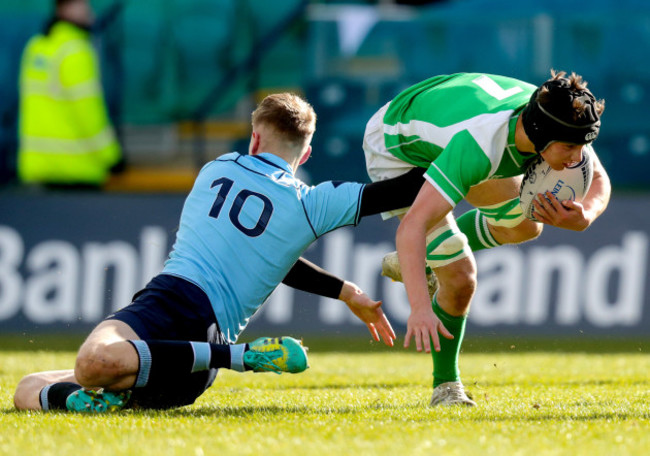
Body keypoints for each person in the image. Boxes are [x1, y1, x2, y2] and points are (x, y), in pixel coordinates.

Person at [13, 92, 426, 413]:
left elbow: (261, 251)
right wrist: (468, 150)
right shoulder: (310, 204)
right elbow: (405, 190)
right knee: (28, 387)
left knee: (90, 364)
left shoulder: (216, 169)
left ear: (255, 137)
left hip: (166, 305)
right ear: (306, 154)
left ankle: (240, 358)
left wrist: (345, 291)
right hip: (193, 366)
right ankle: (90, 400)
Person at [364, 70, 611, 406]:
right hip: (397, 148)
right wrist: (420, 308)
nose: (576, 157)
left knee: (525, 226)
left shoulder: (558, 118)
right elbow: (413, 227)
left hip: (447, 119)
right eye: (570, 147)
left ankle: (423, 259)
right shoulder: (481, 144)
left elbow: (598, 178)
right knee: (461, 279)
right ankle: (446, 387)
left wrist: (587, 215)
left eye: (583, 145)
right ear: (540, 135)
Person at [17, 0, 121, 187]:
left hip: (38, 171)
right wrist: (111, 157)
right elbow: (88, 113)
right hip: (77, 171)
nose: (90, 11)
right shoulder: (75, 51)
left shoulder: (36, 47)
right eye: (83, 5)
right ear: (66, 9)